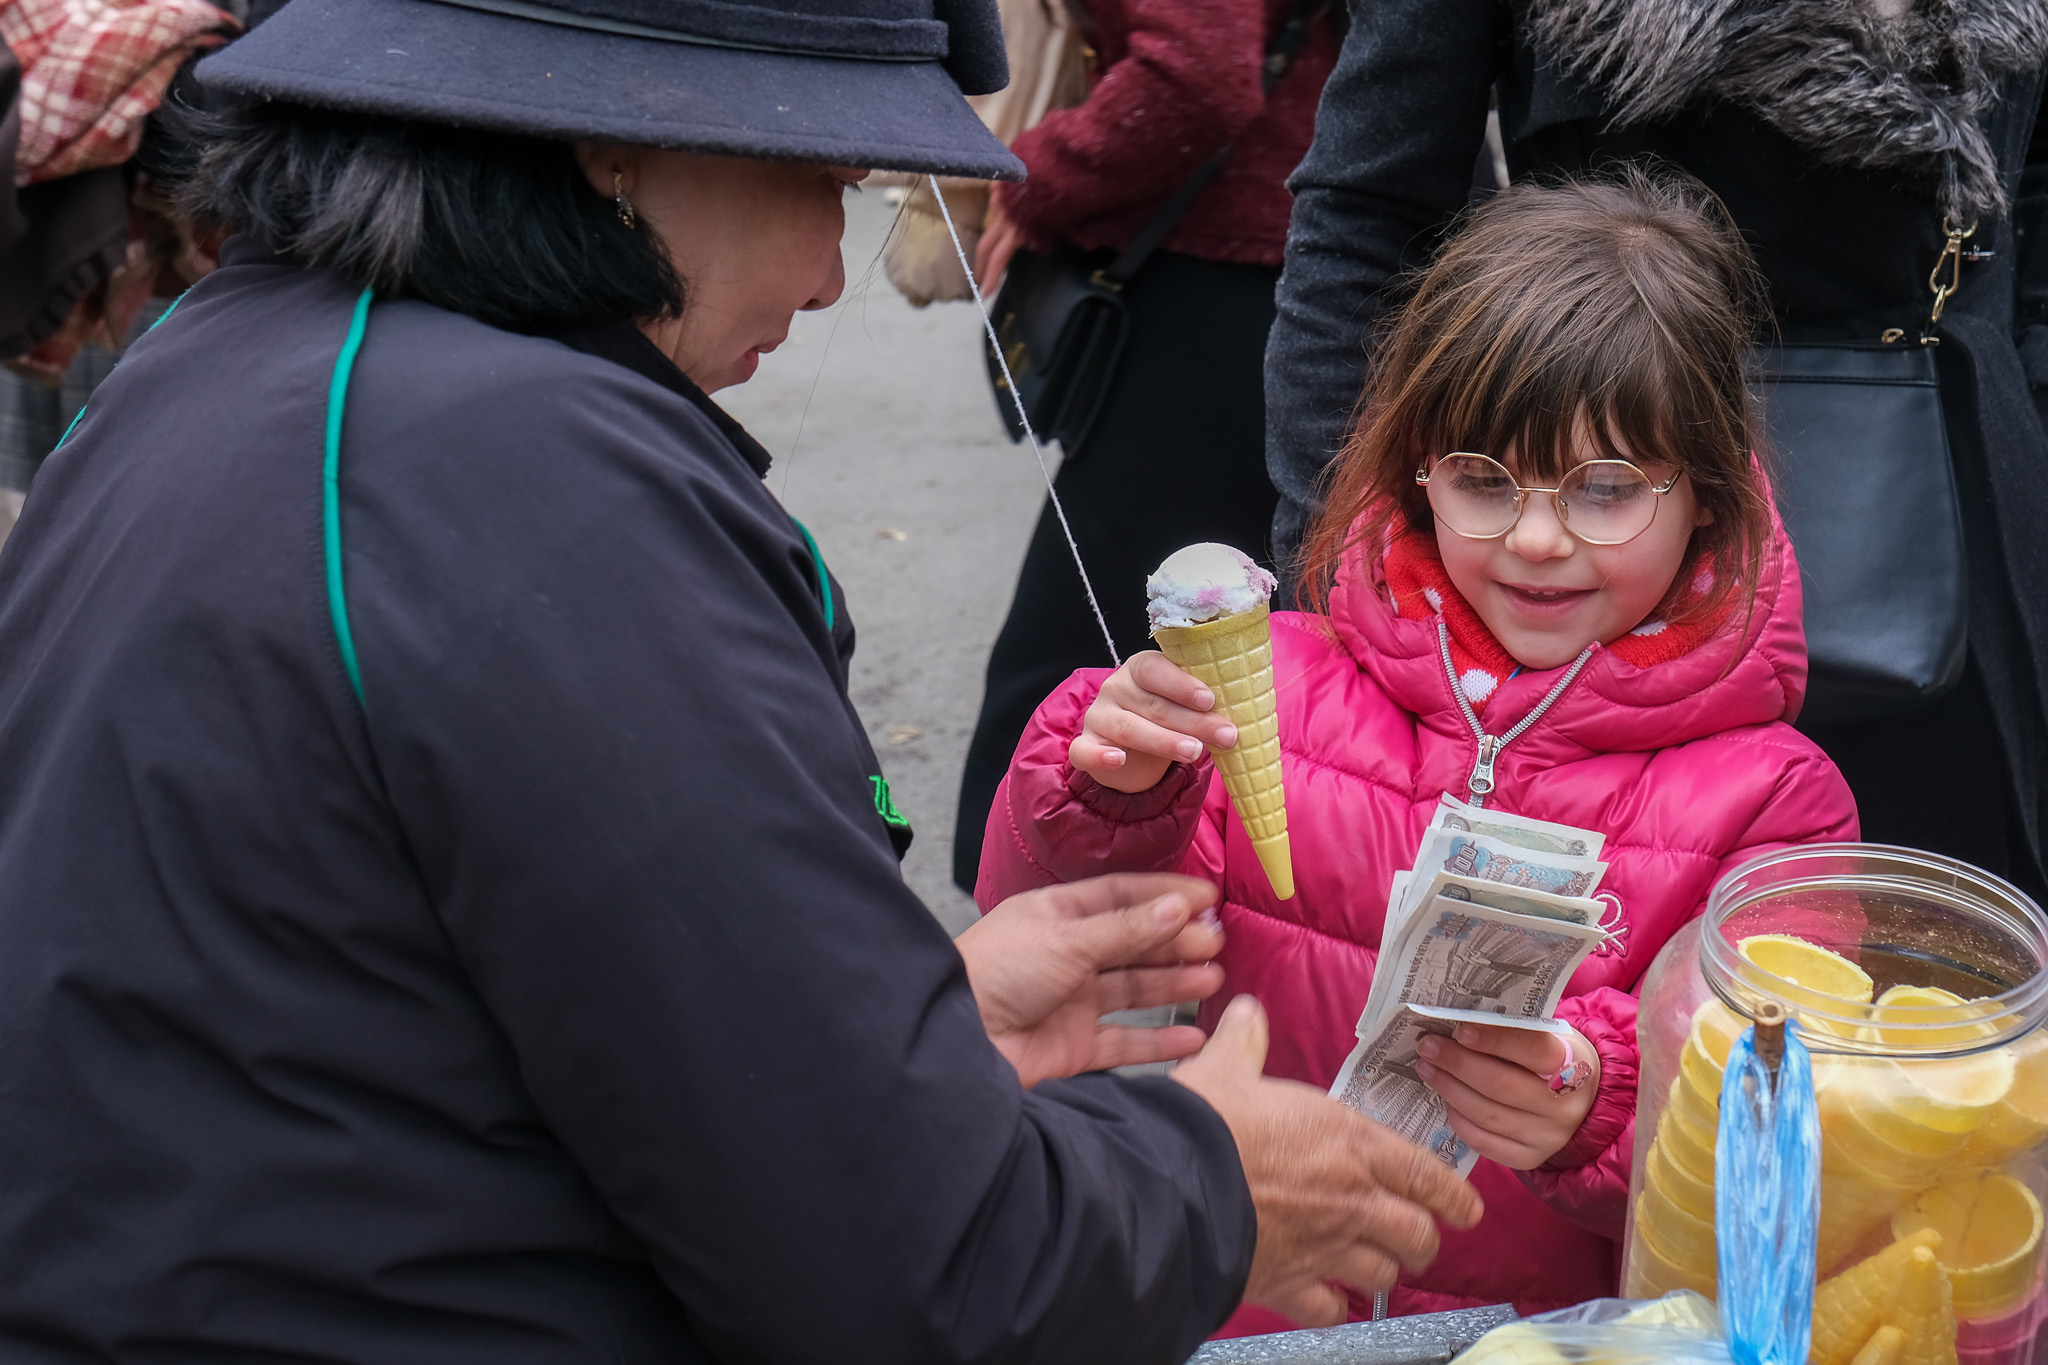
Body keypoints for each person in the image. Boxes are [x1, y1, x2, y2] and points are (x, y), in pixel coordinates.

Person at [0, 1, 1484, 1359]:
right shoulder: (547, 492)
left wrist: (906, 1029)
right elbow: (916, 1271)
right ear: (613, 145)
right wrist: (1208, 1177)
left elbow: (382, 994)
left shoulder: (215, 365)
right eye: (819, 183)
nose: (831, 274)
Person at [976, 174, 1860, 1328]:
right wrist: (1098, 789)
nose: (1537, 538)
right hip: (1255, 1308)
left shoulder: (1774, 805)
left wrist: (1604, 1104)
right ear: (1416, 472)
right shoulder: (1278, 689)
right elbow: (1046, 947)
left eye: (1604, 489)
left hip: (1544, 1340)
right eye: (1483, 480)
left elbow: (1781, 1160)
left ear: (1703, 494)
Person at [1262, 0, 2048, 900]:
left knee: (1940, 991)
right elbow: (1367, 214)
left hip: (1965, 514)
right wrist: (1340, 578)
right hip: (1562, 493)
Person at [949, 0, 1341, 894]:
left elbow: (1195, 73)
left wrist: (1032, 175)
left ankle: (1012, 926)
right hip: (1286, 271)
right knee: (1268, 649)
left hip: (1222, 291)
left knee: (1070, 645)